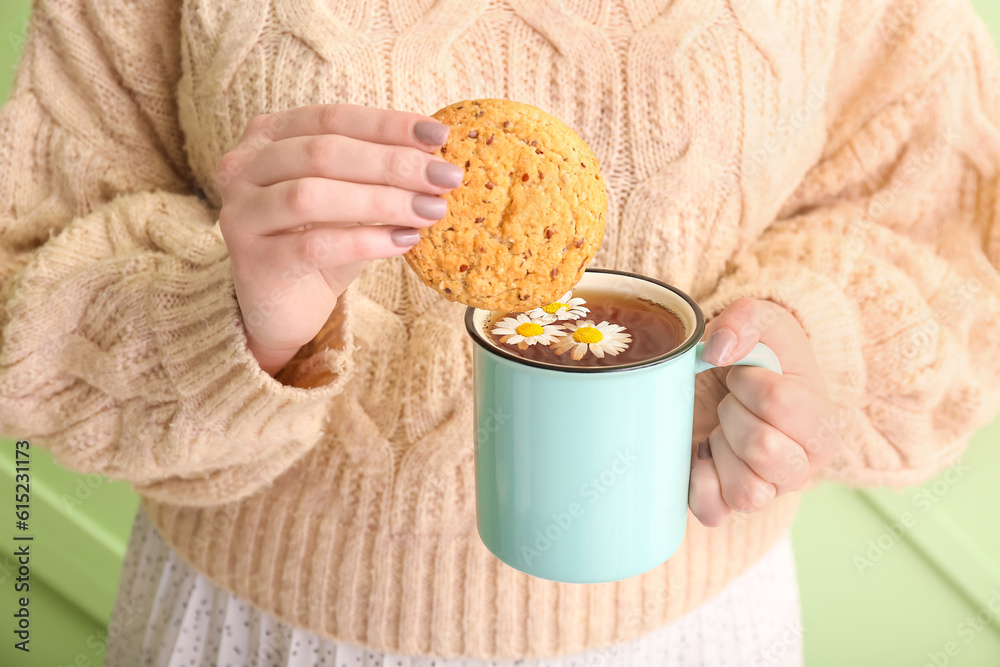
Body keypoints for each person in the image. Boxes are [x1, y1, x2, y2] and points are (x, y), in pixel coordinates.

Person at [2, 0, 999, 665]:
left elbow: (940, 222)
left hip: (690, 631)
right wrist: (240, 308)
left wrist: (806, 336)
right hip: (255, 629)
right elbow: (30, 257)